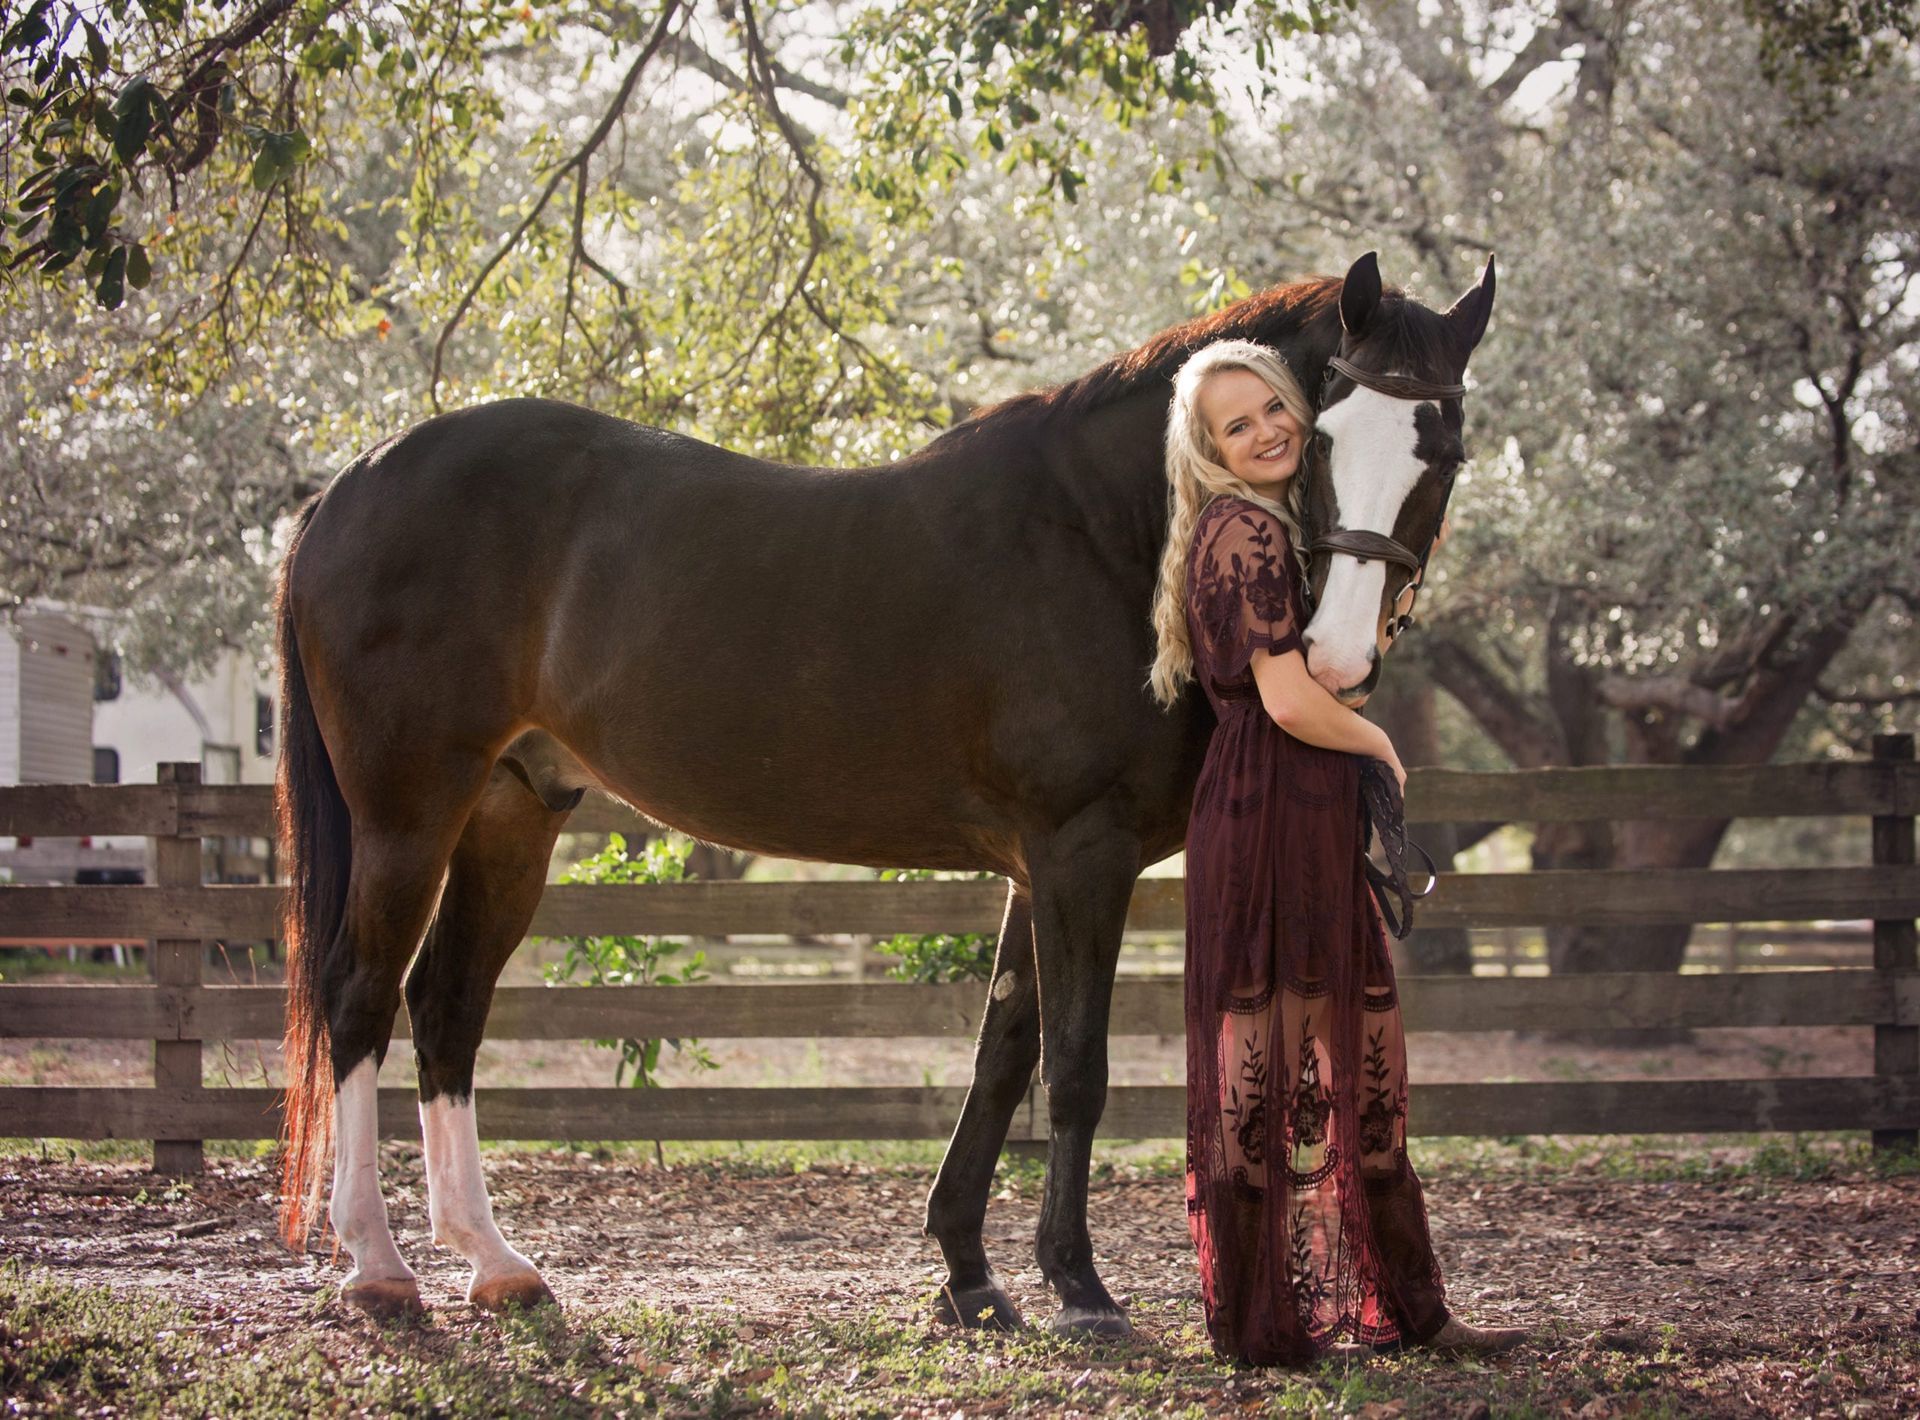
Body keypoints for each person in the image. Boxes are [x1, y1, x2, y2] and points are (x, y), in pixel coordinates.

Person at [1146, 338, 1528, 1365]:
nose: (1265, 429)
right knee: (1272, 1081)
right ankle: (1277, 1323)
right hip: (1268, 809)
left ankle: (1400, 1309)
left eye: (1273, 407)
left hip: (1292, 808)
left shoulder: (1283, 527)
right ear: (1212, 449)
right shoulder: (1243, 533)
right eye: (1238, 424)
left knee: (1342, 1076)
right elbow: (1285, 700)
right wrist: (1381, 745)